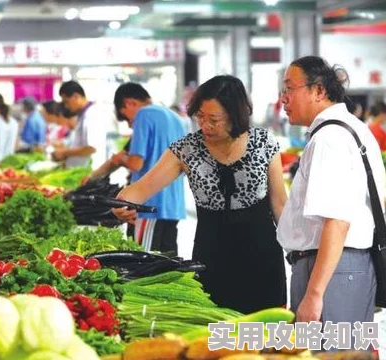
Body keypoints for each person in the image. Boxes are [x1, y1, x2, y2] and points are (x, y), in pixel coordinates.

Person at [113, 75, 288, 314]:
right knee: (216, 339)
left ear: (236, 115)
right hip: (211, 257)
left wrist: (297, 254)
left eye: (214, 119)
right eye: (200, 117)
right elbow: (141, 189)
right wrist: (121, 203)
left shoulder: (263, 142)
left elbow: (279, 203)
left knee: (267, 340)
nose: (205, 126)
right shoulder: (187, 149)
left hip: (263, 257)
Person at [277, 56, 384, 330]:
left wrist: (314, 293)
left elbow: (337, 221)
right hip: (343, 267)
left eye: (289, 88)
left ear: (319, 91)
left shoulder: (329, 139)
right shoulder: (352, 129)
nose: (283, 99)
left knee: (326, 353)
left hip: (330, 269)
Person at [109, 83, 187, 255]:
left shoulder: (144, 115)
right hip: (173, 204)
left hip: (149, 206)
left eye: (127, 118)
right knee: (168, 265)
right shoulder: (174, 117)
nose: (130, 124)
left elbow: (136, 163)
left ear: (129, 103)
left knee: (142, 265)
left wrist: (121, 158)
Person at [53, 81, 107, 169]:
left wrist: (64, 152)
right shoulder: (82, 115)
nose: (66, 106)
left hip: (88, 171)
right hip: (79, 170)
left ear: (76, 96)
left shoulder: (92, 114)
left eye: (67, 102)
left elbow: (91, 148)